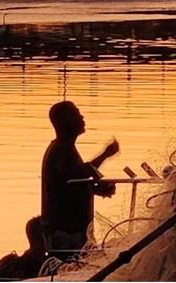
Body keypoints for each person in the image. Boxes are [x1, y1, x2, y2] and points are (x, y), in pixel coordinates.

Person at [41, 101, 119, 258]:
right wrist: (105, 155)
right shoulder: (60, 150)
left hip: (75, 231)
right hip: (66, 232)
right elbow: (76, 175)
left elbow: (72, 183)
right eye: (77, 114)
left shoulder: (65, 148)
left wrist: (95, 188)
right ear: (65, 122)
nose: (82, 117)